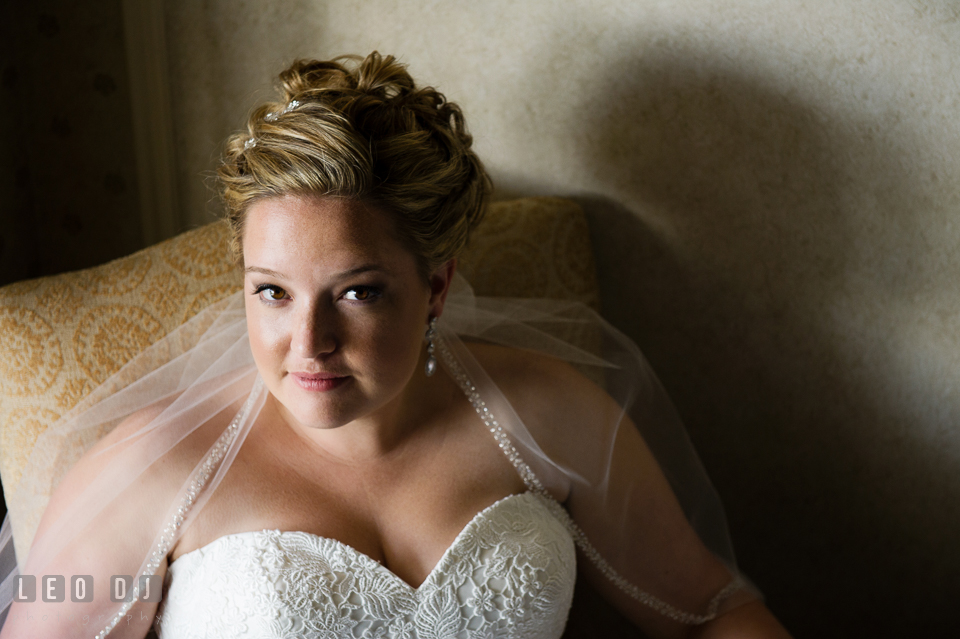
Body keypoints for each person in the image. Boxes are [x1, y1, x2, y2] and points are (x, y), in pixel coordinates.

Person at [0, 52, 790, 638]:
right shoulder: (154, 467)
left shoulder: (552, 419)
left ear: (437, 288)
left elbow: (712, 613)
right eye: (271, 291)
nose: (307, 342)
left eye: (357, 291)